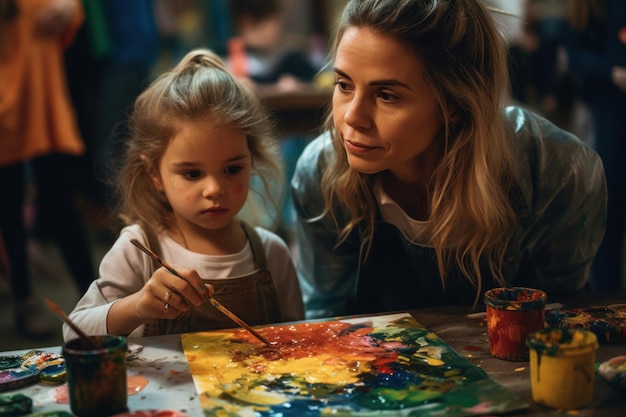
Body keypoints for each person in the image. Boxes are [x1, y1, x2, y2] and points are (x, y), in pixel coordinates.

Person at [291, 0, 607, 320]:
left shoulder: (557, 171)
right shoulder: (320, 173)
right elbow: (327, 321)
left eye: (387, 95)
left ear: (454, 104)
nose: (352, 118)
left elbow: (559, 327)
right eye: (344, 85)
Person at [63, 48, 304, 340]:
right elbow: (73, 332)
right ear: (154, 174)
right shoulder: (138, 249)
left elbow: (298, 338)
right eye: (192, 174)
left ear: (251, 161)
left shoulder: (271, 254)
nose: (214, 189)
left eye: (232, 169)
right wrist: (137, 307)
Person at [0, 0, 95, 338]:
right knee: (8, 207)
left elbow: (70, 10)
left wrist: (71, 8)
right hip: (7, 100)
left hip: (42, 96)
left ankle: (96, 296)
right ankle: (25, 301)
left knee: (60, 201)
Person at [565, 0, 626, 292]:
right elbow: (575, 54)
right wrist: (612, 72)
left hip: (608, 105)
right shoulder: (588, 8)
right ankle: (609, 300)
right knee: (609, 208)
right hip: (609, 108)